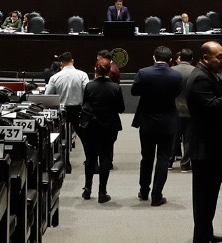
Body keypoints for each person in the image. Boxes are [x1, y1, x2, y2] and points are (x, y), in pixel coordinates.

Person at [186, 40, 222, 243]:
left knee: (209, 195)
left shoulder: (209, 74)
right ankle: (201, 239)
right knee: (203, 196)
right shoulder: (200, 78)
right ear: (206, 58)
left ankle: (206, 232)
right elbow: (212, 108)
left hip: (212, 146)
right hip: (205, 148)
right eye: (219, 57)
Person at [131, 45, 183, 205]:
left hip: (147, 121)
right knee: (163, 158)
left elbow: (133, 91)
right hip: (168, 122)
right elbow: (176, 93)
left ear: (154, 58)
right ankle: (156, 195)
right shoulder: (176, 75)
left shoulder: (143, 73)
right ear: (170, 60)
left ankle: (144, 191)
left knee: (146, 157)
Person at [79, 60, 125, 202]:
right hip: (109, 127)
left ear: (96, 70)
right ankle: (102, 192)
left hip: (92, 126)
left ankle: (87, 189)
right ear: (109, 71)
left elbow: (85, 104)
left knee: (90, 157)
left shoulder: (89, 86)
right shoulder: (115, 88)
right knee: (105, 157)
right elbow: (121, 109)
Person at [44, 51, 88, 125]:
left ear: (61, 64)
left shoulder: (54, 78)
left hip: (61, 111)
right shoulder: (83, 75)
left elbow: (47, 96)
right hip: (78, 111)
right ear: (72, 61)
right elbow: (87, 93)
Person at [172, 47, 197, 167]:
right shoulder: (195, 71)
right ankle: (186, 163)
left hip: (174, 109)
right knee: (188, 139)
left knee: (173, 137)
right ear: (192, 59)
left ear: (180, 58)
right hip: (190, 110)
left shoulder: (171, 71)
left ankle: (169, 161)